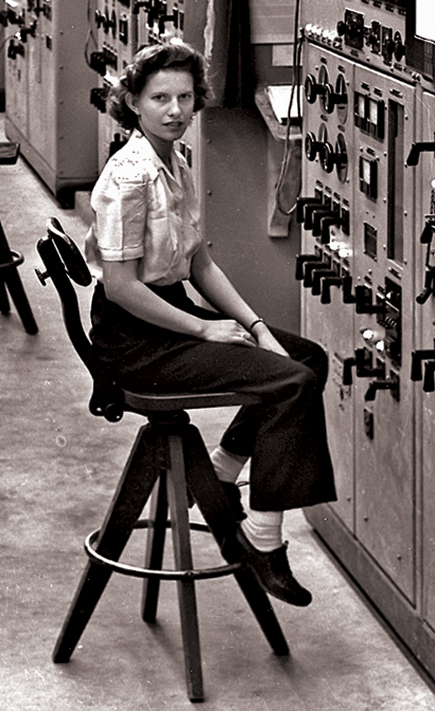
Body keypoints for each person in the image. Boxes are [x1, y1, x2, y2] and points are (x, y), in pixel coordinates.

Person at [86, 39, 335, 608]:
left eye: (185, 98)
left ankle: (223, 468)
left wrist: (254, 325)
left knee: (305, 359)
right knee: (291, 384)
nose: (175, 111)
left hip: (169, 308)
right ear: (134, 102)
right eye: (160, 98)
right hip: (137, 338)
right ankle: (263, 538)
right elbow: (120, 287)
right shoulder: (126, 178)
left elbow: (199, 261)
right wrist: (203, 330)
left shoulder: (175, 162)